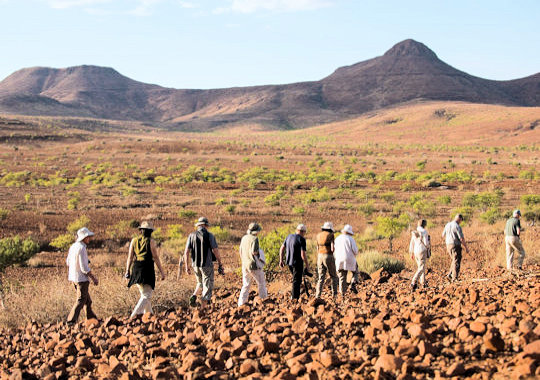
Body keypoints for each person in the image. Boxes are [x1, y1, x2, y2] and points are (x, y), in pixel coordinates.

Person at [125, 221, 166, 318]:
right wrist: (162, 272)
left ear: (141, 231)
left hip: (136, 268)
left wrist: (127, 271)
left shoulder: (134, 240)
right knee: (146, 295)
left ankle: (149, 315)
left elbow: (130, 257)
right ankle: (133, 316)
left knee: (144, 293)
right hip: (147, 268)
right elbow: (155, 257)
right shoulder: (151, 241)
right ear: (150, 231)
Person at [183, 217, 223, 307]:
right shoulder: (210, 236)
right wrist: (220, 263)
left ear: (198, 225)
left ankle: (194, 295)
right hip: (207, 265)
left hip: (195, 265)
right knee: (207, 285)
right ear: (205, 225)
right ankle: (203, 308)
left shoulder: (191, 235)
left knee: (200, 283)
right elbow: (215, 250)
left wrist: (186, 266)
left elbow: (186, 252)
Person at [66, 227, 98, 324]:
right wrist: (93, 278)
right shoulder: (82, 248)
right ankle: (71, 320)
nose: (89, 238)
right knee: (81, 300)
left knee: (87, 301)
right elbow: (84, 268)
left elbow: (68, 262)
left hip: (73, 277)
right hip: (81, 279)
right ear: (84, 238)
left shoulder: (73, 246)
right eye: (88, 237)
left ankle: (92, 319)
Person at [238, 223, 268, 306]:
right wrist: (260, 252)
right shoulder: (255, 239)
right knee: (261, 283)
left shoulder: (244, 238)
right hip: (253, 265)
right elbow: (254, 252)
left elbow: (240, 250)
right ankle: (264, 300)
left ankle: (241, 303)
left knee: (246, 284)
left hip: (245, 264)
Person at [279, 224, 310, 300]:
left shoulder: (289, 236)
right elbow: (303, 255)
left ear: (297, 230)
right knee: (296, 281)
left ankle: (295, 295)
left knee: (296, 280)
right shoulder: (302, 239)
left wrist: (281, 260)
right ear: (303, 232)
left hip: (289, 262)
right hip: (297, 263)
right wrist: (307, 265)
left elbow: (282, 249)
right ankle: (294, 299)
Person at [315, 222, 338, 299]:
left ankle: (317, 295)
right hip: (328, 255)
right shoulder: (330, 235)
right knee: (333, 276)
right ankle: (334, 295)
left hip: (319, 256)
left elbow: (317, 248)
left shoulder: (318, 235)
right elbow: (332, 248)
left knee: (321, 277)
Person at [442, 214, 468, 282]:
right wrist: (466, 247)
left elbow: (442, 235)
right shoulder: (457, 226)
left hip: (448, 245)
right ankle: (454, 278)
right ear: (460, 219)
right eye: (461, 220)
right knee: (457, 261)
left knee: (454, 260)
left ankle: (450, 275)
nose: (461, 222)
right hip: (455, 245)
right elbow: (461, 238)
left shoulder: (447, 225)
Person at [334, 224, 359, 295]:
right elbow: (355, 251)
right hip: (350, 259)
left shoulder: (337, 238)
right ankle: (353, 283)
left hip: (339, 259)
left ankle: (342, 293)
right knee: (355, 271)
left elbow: (334, 250)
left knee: (342, 276)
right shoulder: (351, 239)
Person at [409, 219, 430, 291]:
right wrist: (428, 248)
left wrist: (411, 252)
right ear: (424, 224)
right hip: (422, 250)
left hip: (415, 251)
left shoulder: (415, 232)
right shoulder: (424, 232)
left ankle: (423, 283)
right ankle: (413, 282)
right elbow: (426, 243)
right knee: (421, 268)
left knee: (421, 267)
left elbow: (411, 243)